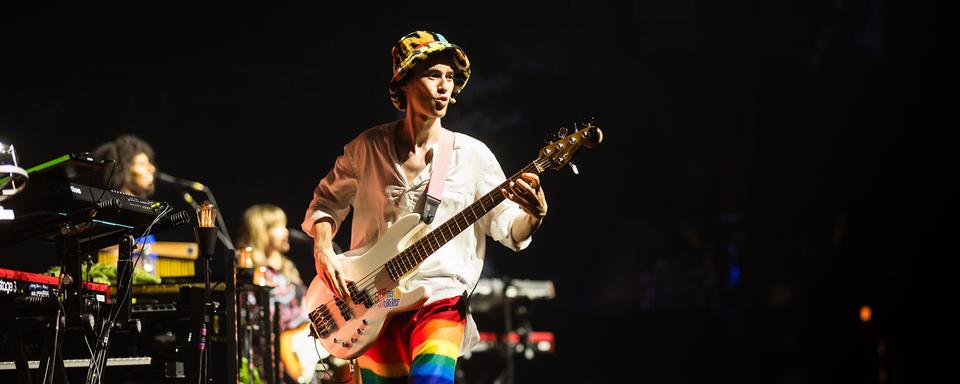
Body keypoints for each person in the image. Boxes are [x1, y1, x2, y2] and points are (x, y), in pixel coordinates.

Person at [302, 30, 548, 383]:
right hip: (376, 301)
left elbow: (509, 228)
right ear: (404, 82)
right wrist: (323, 247)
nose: (444, 86)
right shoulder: (366, 148)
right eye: (433, 74)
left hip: (440, 300)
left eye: (450, 77)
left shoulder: (473, 156)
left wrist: (535, 215)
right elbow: (326, 201)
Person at [236, 204, 338, 384]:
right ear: (262, 232)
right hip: (272, 364)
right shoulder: (251, 275)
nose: (286, 232)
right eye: (278, 227)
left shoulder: (288, 270)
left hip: (303, 354)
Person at [92, 134, 162, 279]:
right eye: (142, 164)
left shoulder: (144, 210)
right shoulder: (113, 210)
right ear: (125, 168)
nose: (152, 168)